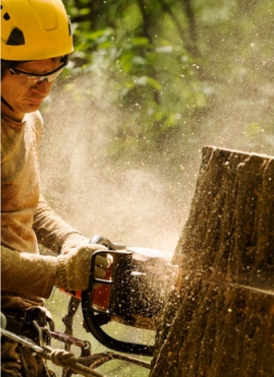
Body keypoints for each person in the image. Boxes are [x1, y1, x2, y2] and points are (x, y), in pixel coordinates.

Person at [1, 0, 112, 376]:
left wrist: (71, 241)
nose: (43, 88)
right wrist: (59, 272)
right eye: (30, 76)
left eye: (53, 73)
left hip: (22, 316)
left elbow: (27, 202)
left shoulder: (30, 120)